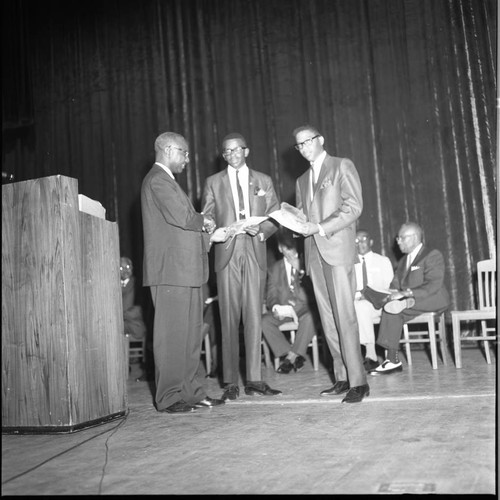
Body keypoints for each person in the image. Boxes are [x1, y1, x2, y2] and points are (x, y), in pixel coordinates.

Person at [141, 131, 228, 414]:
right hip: (170, 272)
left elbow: (182, 230)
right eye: (184, 153)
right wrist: (207, 221)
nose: (188, 160)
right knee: (171, 338)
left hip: (186, 270)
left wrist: (210, 237)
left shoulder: (168, 182)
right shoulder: (157, 180)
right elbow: (185, 218)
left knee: (190, 338)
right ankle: (168, 397)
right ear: (168, 150)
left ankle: (191, 393)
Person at [292, 124, 369, 403]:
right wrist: (293, 222)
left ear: (321, 140)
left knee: (344, 317)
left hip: (336, 250)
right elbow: (303, 218)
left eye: (308, 141)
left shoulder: (341, 166)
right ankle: (341, 377)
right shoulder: (301, 179)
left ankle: (358, 381)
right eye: (298, 145)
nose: (303, 148)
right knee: (327, 319)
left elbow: (353, 207)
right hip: (313, 255)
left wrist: (320, 228)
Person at [202, 132, 281, 400]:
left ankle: (255, 379)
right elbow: (207, 215)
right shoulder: (213, 182)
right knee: (228, 317)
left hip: (255, 249)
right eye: (227, 151)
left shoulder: (263, 180)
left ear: (246, 151)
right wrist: (212, 226)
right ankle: (230, 382)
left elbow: (275, 213)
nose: (232, 154)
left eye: (236, 150)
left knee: (254, 317)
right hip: (227, 251)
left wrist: (262, 231)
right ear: (223, 155)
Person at [370, 222, 450, 375]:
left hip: (433, 298)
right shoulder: (403, 261)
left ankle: (392, 360)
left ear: (414, 238)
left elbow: (433, 285)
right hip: (411, 302)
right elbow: (395, 284)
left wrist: (406, 294)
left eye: (401, 238)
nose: (398, 241)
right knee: (392, 308)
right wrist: (384, 293)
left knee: (396, 305)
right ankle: (392, 361)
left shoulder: (432, 254)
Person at [262, 230, 318, 374]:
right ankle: (292, 354)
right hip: (285, 309)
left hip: (304, 307)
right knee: (264, 322)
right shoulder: (275, 269)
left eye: (293, 247)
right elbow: (271, 294)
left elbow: (314, 291)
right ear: (280, 248)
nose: (291, 252)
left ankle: (290, 358)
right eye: (287, 248)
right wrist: (275, 307)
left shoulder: (306, 263)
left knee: (311, 317)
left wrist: (300, 269)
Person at [353, 230, 394, 371]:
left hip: (378, 305)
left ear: (371, 241)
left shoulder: (382, 261)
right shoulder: (349, 264)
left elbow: (388, 288)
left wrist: (369, 295)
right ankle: (370, 357)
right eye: (356, 240)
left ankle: (370, 353)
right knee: (359, 306)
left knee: (362, 306)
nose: (360, 243)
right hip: (355, 305)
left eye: (364, 239)